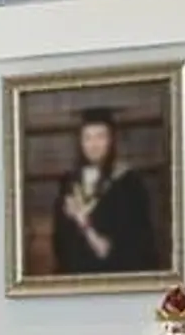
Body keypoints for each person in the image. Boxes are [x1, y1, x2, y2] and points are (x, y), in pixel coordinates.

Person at [47, 108, 167, 278]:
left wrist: (86, 224)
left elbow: (138, 240)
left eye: (100, 137)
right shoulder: (70, 182)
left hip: (117, 275)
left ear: (111, 140)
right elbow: (60, 239)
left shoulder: (129, 182)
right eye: (87, 138)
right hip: (76, 278)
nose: (93, 144)